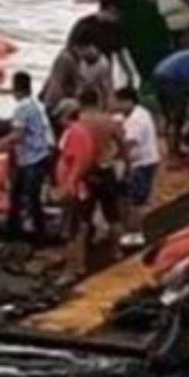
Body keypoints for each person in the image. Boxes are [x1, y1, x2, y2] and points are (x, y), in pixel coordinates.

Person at [0, 72, 54, 237]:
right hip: (40, 153)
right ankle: (15, 227)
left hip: (31, 157)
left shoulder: (22, 108)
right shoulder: (37, 104)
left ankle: (37, 232)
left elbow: (17, 134)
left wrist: (1, 143)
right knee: (20, 194)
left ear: (16, 88)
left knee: (29, 196)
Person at [79, 87, 129, 253]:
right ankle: (117, 251)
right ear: (97, 102)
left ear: (82, 103)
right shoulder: (109, 121)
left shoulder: (79, 122)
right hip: (107, 170)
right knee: (113, 215)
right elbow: (123, 146)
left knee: (83, 217)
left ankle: (82, 251)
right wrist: (126, 166)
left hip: (87, 172)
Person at [56, 101, 98, 283]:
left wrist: (69, 184)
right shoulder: (82, 131)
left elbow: (78, 161)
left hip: (73, 187)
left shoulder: (74, 133)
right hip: (79, 185)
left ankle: (69, 271)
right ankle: (79, 265)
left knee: (70, 231)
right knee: (80, 227)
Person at [114, 87, 160, 248]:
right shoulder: (127, 114)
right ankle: (128, 228)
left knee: (137, 200)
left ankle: (136, 233)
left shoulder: (138, 119)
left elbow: (129, 143)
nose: (115, 105)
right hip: (134, 162)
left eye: (118, 102)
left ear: (128, 102)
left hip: (142, 163)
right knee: (126, 197)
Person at [66, 0, 135, 88]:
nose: (118, 18)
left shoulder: (116, 29)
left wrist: (129, 75)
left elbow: (121, 54)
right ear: (109, 10)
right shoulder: (85, 25)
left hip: (105, 73)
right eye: (117, 14)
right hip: (83, 69)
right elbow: (70, 48)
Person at [41, 44, 82, 114]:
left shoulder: (61, 56)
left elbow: (50, 79)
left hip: (49, 97)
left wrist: (42, 94)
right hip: (60, 100)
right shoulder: (71, 61)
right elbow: (77, 83)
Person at [76, 42, 114, 109]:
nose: (81, 53)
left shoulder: (103, 64)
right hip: (82, 90)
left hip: (97, 93)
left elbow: (106, 88)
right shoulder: (81, 60)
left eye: (83, 50)